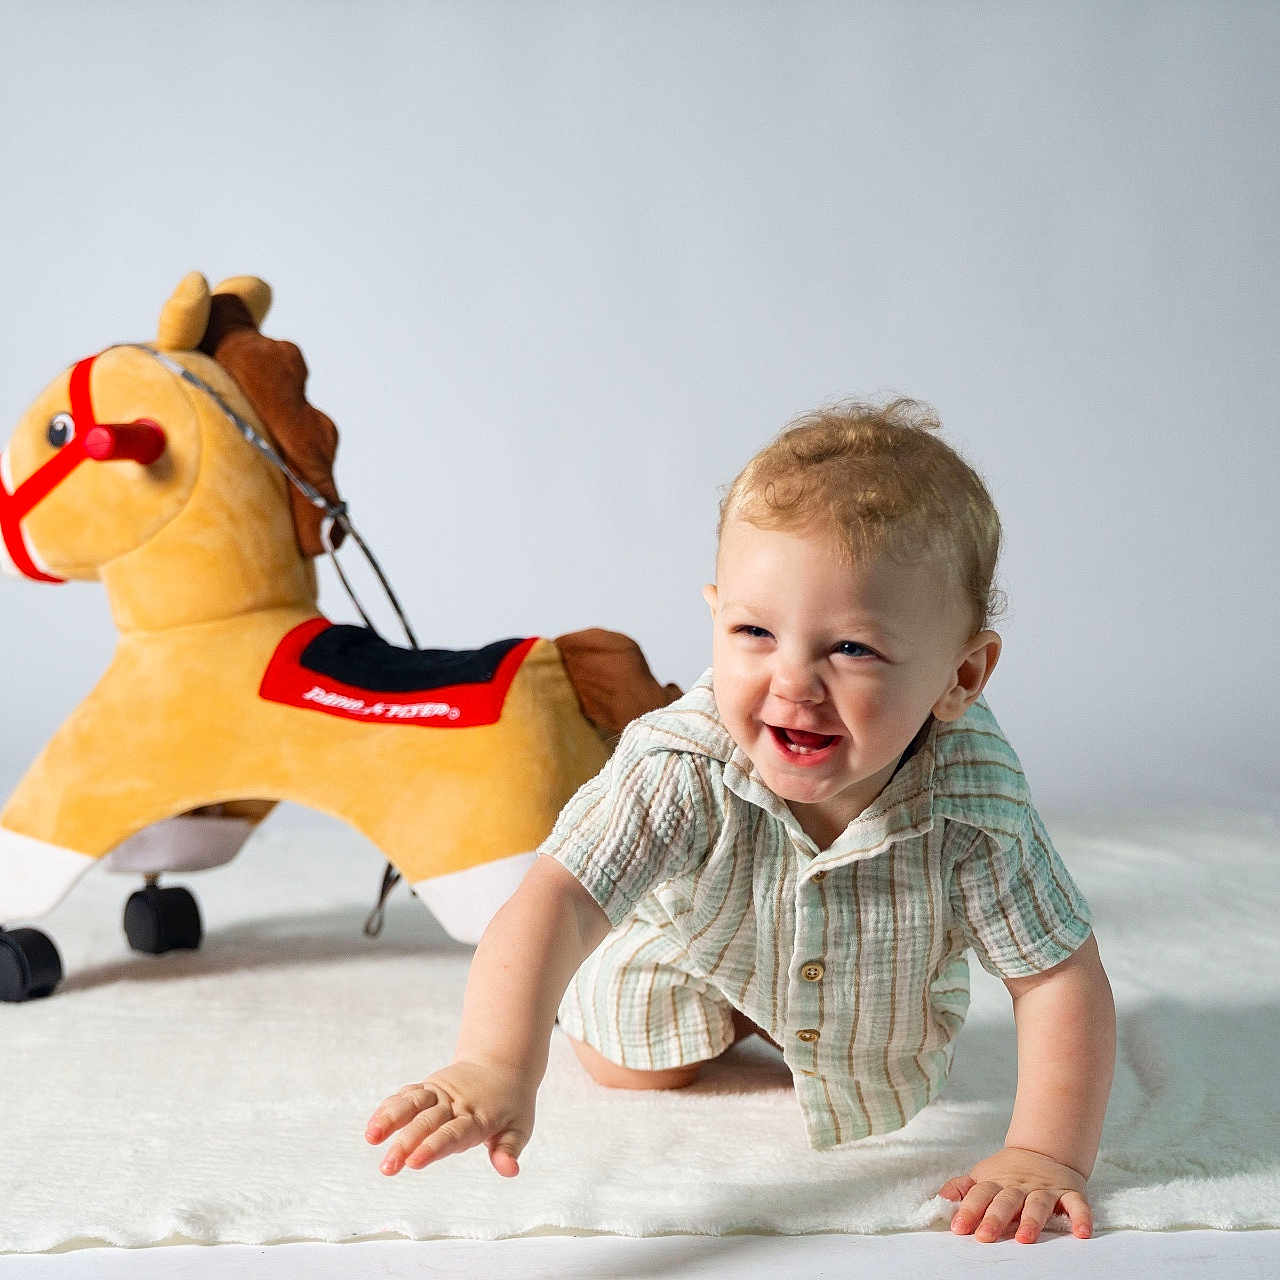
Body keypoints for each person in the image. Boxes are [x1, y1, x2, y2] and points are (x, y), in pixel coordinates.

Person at [364, 399, 1116, 1246]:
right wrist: (496, 1063)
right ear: (715, 613)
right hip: (696, 934)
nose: (793, 680)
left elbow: (1054, 976)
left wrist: (1045, 1153)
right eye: (755, 631)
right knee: (634, 1067)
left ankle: (794, 1016)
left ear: (962, 676)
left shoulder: (975, 807)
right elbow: (558, 902)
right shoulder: (684, 764)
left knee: (887, 1072)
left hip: (878, 969)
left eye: (852, 649)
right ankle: (709, 983)